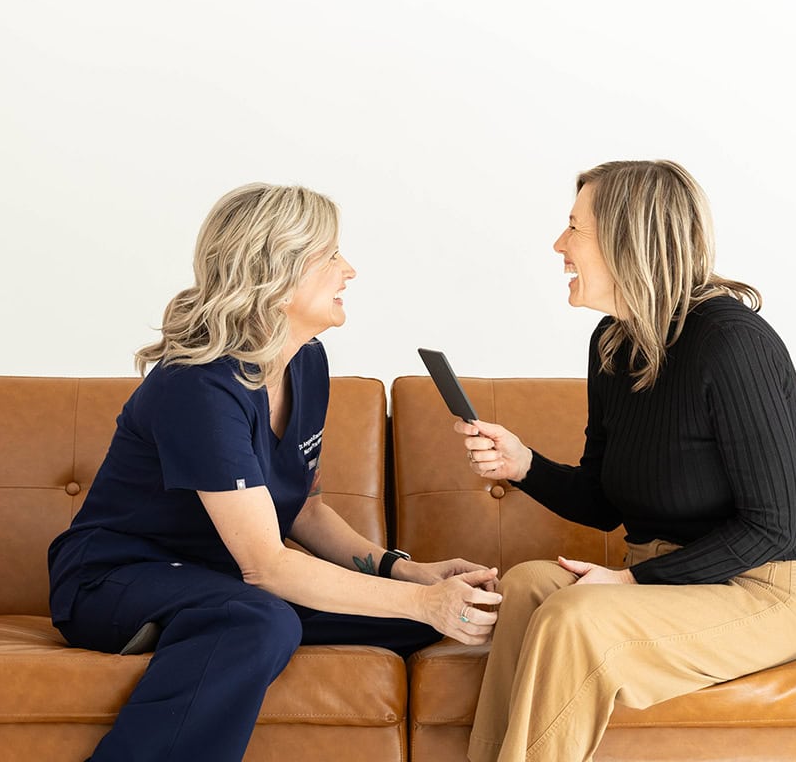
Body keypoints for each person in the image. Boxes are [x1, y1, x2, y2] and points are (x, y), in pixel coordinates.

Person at [48, 182, 501, 762]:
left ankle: (194, 631)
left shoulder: (306, 361)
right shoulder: (199, 386)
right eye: (331, 255)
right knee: (259, 619)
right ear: (279, 276)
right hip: (115, 578)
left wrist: (411, 577)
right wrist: (421, 600)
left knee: (434, 621)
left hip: (222, 581)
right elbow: (265, 566)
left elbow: (306, 510)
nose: (350, 270)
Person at [455, 161, 796, 762]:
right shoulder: (613, 342)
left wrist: (631, 582)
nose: (558, 245)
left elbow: (775, 526)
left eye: (575, 228)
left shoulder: (734, 343)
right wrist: (523, 465)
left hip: (760, 593)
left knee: (575, 617)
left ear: (629, 241)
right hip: (665, 585)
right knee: (525, 587)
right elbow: (604, 503)